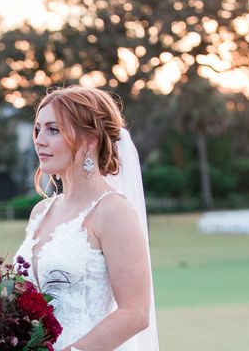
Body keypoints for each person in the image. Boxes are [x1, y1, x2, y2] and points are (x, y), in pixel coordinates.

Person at [14, 86, 159, 351]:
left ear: (90, 139)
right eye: (38, 129)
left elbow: (135, 313)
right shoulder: (41, 212)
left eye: (53, 130)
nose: (39, 140)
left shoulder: (113, 212)